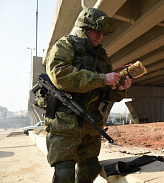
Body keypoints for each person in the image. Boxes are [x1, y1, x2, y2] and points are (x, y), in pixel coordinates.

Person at [44, 8, 131, 183]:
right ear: (84, 28)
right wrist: (102, 78)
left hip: (90, 125)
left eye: (102, 33)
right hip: (65, 125)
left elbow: (107, 94)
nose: (100, 36)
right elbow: (60, 75)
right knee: (64, 174)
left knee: (90, 170)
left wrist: (119, 88)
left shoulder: (101, 56)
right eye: (96, 32)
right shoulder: (66, 44)